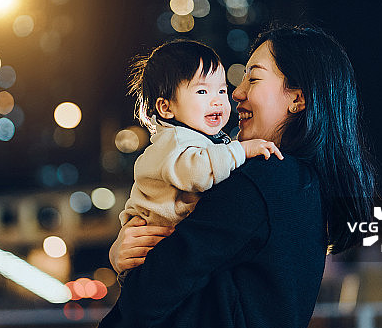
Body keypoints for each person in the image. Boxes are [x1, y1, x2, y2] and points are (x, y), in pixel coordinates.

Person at [95, 24, 377, 328]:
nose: (236, 93)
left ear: (297, 98)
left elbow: (157, 286)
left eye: (253, 79)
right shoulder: (302, 186)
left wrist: (124, 281)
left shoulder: (262, 181)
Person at [120, 39, 282, 228]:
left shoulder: (198, 138)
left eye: (222, 90)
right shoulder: (175, 141)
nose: (218, 101)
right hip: (154, 238)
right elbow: (196, 174)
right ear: (166, 107)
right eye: (203, 91)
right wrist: (240, 151)